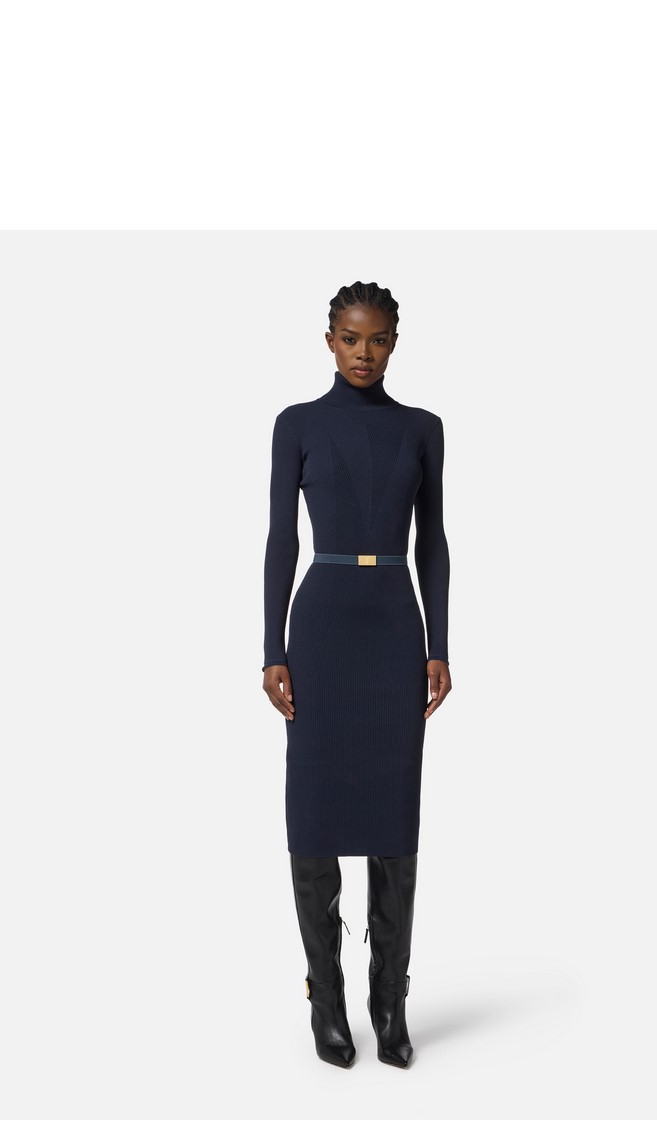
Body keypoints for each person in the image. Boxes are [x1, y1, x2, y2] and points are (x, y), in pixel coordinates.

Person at [262, 281, 452, 1069]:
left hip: (394, 626)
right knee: (314, 813)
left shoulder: (422, 428)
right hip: (322, 627)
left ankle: (389, 1000)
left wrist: (439, 644)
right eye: (349, 338)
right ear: (329, 340)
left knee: (394, 815)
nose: (363, 353)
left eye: (376, 339)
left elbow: (433, 540)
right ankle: (327, 1001)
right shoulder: (297, 424)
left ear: (394, 342)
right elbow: (281, 539)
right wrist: (272, 649)